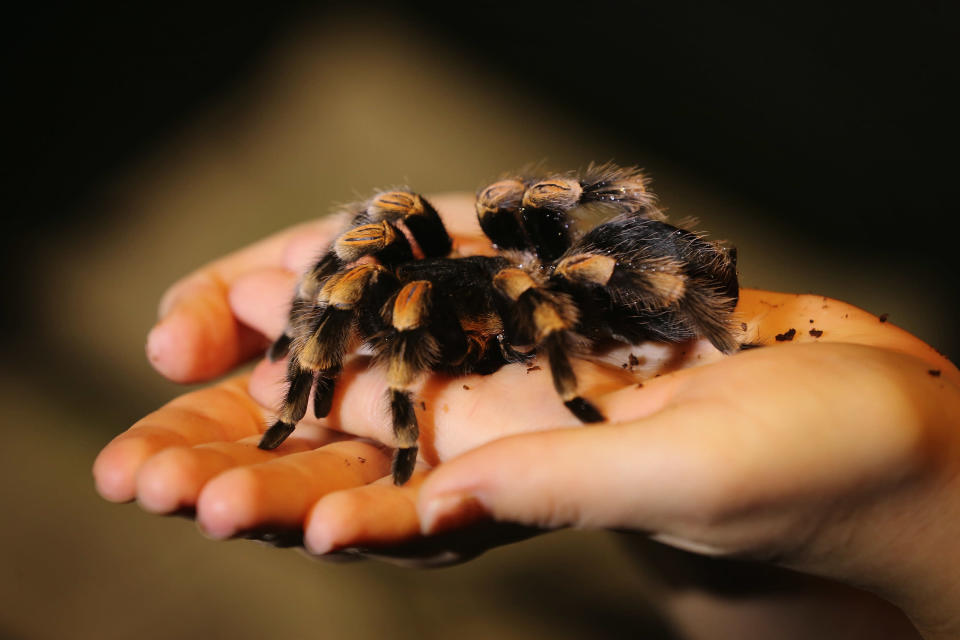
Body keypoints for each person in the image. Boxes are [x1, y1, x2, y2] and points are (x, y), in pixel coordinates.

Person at [93, 193, 960, 639]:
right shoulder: (412, 279)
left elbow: (498, 283)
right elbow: (378, 252)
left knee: (486, 284)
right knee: (395, 263)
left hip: (592, 285)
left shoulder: (509, 280)